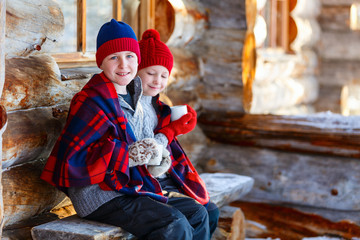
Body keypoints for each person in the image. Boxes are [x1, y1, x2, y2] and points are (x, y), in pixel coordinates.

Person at [40, 19, 214, 239]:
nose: (123, 65)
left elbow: (143, 144)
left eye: (129, 56)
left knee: (197, 213)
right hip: (99, 194)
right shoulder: (91, 101)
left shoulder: (136, 96)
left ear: (138, 60)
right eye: (114, 57)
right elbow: (75, 158)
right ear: (101, 62)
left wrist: (156, 157)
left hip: (129, 184)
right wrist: (129, 154)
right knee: (172, 223)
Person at [137, 28, 219, 238]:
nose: (157, 80)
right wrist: (171, 130)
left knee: (211, 209)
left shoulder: (157, 104)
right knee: (195, 214)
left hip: (164, 174)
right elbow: (147, 151)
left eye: (164, 75)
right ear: (136, 70)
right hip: (146, 179)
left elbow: (164, 141)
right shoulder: (133, 105)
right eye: (150, 73)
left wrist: (181, 125)